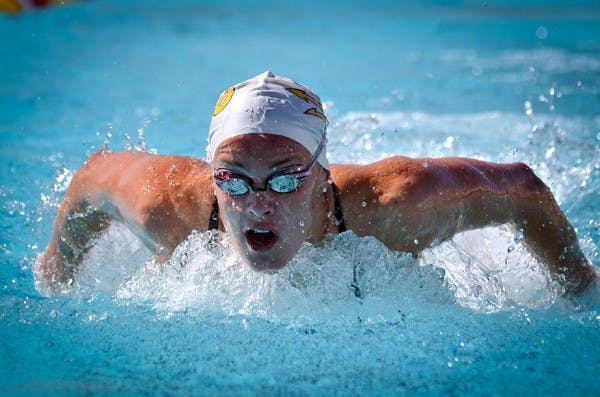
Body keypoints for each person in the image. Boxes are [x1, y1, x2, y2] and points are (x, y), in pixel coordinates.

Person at [35, 71, 597, 295]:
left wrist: (580, 289)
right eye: (234, 179)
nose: (257, 204)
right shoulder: (171, 208)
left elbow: (522, 188)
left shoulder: (393, 208)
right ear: (212, 174)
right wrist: (58, 270)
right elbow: (90, 179)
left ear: (323, 174)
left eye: (284, 181)